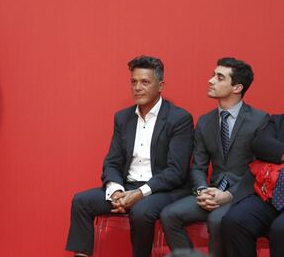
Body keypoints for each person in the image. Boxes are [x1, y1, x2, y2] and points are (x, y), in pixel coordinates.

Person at [65, 56, 194, 257]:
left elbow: (176, 172)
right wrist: (116, 190)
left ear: (160, 86)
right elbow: (112, 162)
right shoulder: (123, 118)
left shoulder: (179, 119)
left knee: (141, 211)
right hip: (127, 187)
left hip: (163, 189)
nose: (137, 88)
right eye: (133, 82)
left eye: (145, 82)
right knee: (81, 201)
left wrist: (140, 193)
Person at [160, 57, 268, 257]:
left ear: (237, 87)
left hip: (243, 194)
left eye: (219, 77)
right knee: (169, 215)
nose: (211, 80)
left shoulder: (260, 120)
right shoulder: (205, 121)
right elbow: (198, 166)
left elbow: (260, 168)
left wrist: (229, 195)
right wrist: (202, 190)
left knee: (218, 220)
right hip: (212, 191)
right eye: (213, 75)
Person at [222, 115, 284, 257]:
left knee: (280, 230)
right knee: (234, 221)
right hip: (269, 193)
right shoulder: (277, 121)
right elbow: (261, 144)